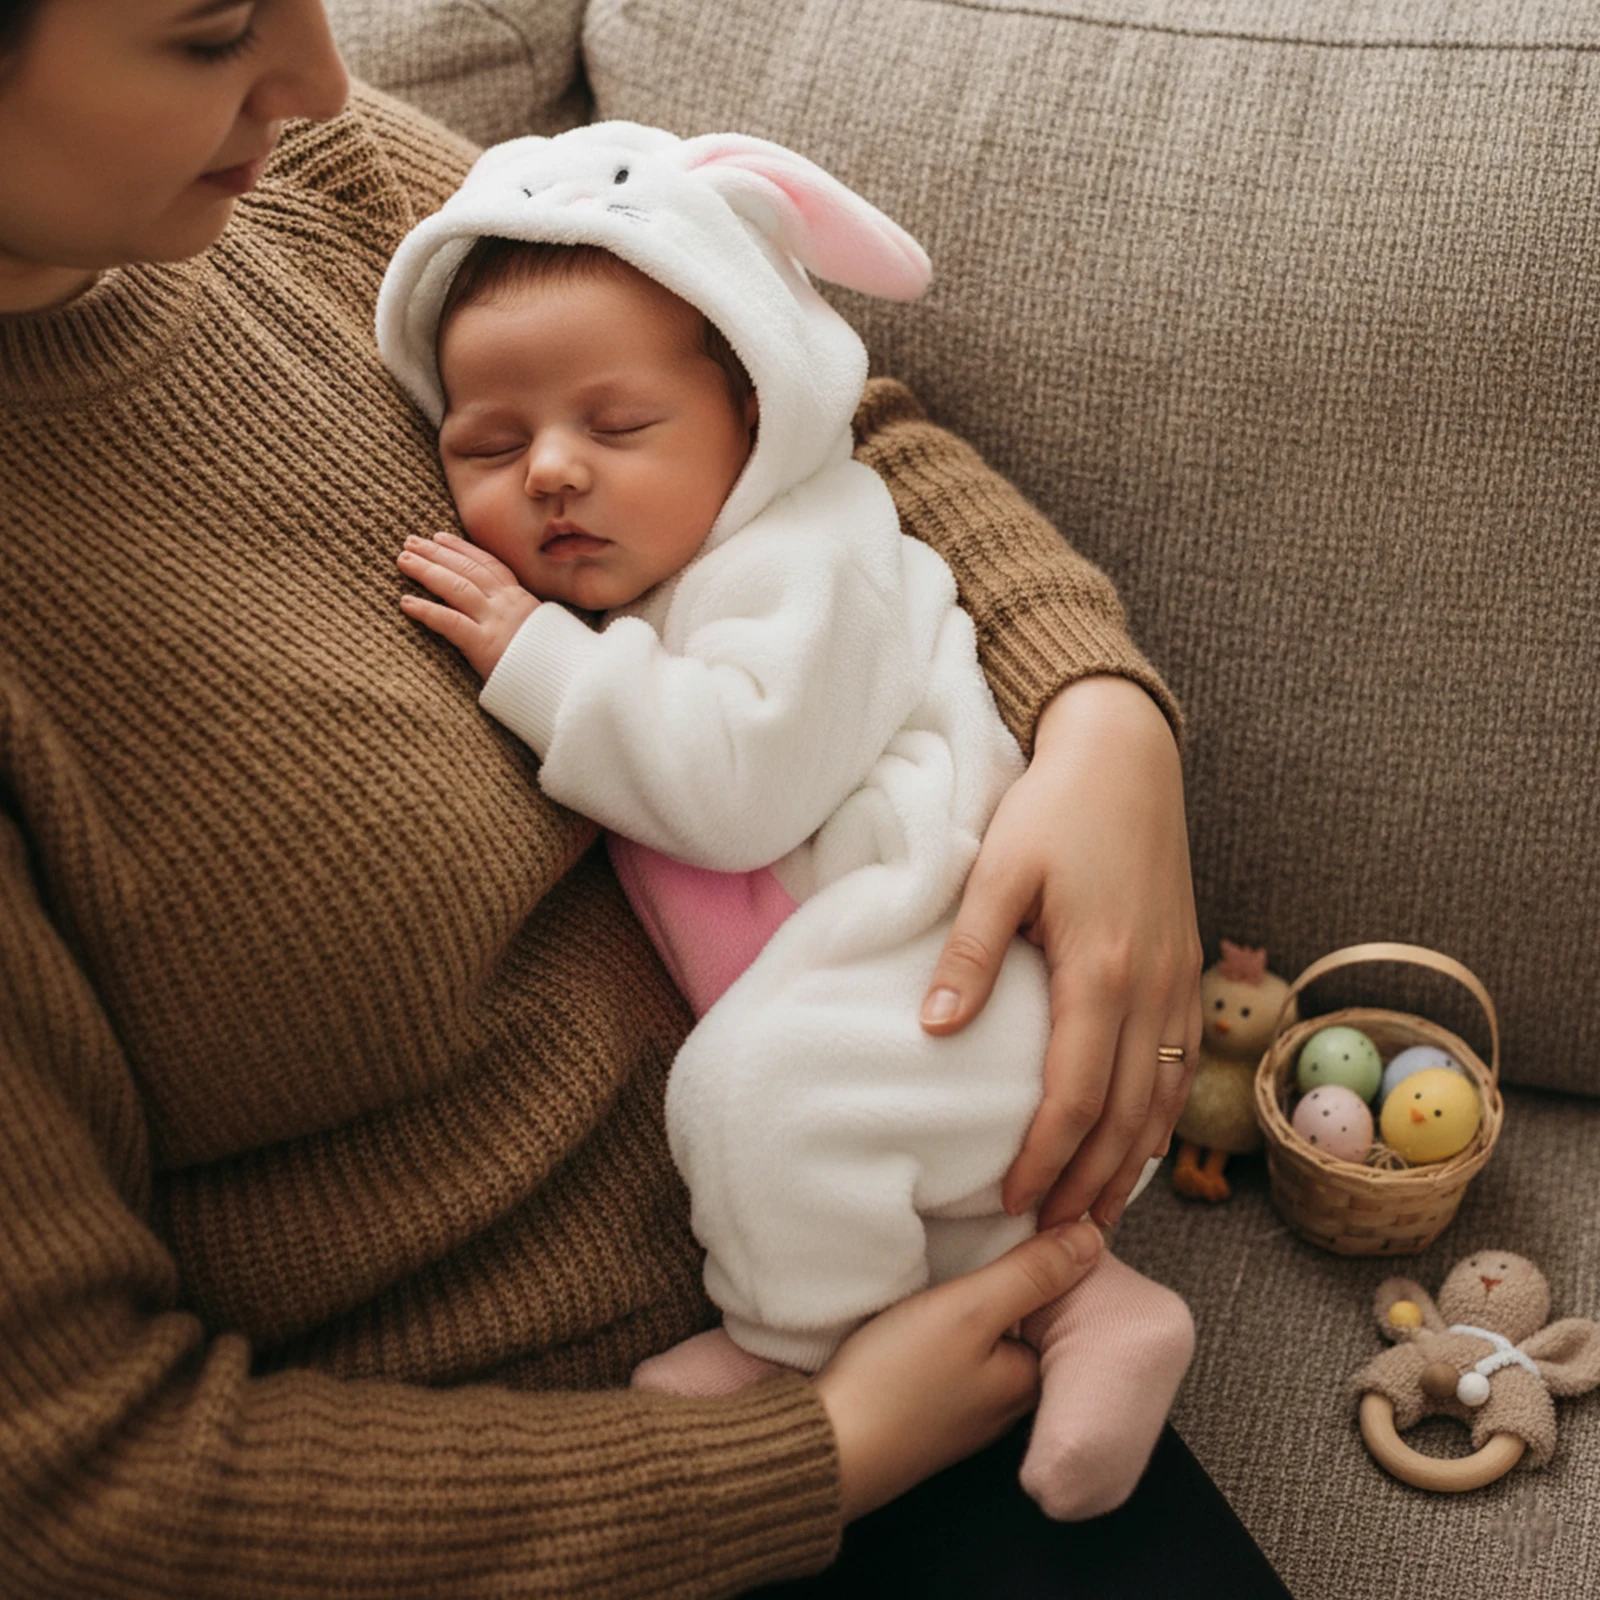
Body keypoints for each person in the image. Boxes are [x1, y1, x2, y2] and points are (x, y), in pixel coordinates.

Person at [0, 0, 1202, 1592]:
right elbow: (76, 1487)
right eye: (212, 31)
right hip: (559, 1478)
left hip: (918, 1209)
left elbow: (800, 413)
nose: (318, 73)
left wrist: (1101, 725)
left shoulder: (314, 173)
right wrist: (815, 1450)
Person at [377, 122, 1195, 1521]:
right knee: (818, 1116)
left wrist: (538, 657)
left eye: (618, 427)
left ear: (756, 414)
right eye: (490, 446)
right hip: (895, 988)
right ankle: (1094, 1309)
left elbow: (736, 788)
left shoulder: (806, 557)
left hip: (970, 972)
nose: (552, 471)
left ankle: (803, 1347)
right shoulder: (689, 560)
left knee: (759, 1096)